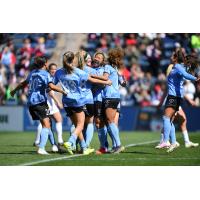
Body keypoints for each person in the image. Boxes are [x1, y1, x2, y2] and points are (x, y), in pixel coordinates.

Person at [53, 51, 112, 155]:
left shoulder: (58, 72)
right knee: (83, 124)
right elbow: (93, 80)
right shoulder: (81, 71)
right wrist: (106, 82)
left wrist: (61, 91)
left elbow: (51, 85)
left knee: (76, 125)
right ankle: (71, 142)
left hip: (66, 101)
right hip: (80, 100)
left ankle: (83, 147)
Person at [10, 56, 67, 155]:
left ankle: (54, 145)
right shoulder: (45, 74)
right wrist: (62, 91)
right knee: (46, 125)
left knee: (47, 124)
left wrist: (14, 90)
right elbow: (51, 86)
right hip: (39, 102)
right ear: (45, 64)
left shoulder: (32, 73)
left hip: (31, 102)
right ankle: (41, 148)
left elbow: (23, 83)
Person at [158, 49, 200, 153]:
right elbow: (186, 71)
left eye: (173, 55)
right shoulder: (177, 67)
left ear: (176, 57)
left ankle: (165, 141)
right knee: (170, 119)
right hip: (175, 96)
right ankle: (173, 142)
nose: (171, 56)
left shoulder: (177, 66)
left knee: (166, 118)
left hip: (173, 96)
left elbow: (186, 75)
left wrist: (196, 79)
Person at [34, 63, 64, 152]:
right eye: (52, 69)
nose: (54, 71)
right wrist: (58, 102)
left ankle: (40, 141)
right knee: (55, 120)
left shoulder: (46, 76)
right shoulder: (48, 77)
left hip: (44, 102)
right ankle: (59, 140)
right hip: (48, 103)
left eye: (55, 69)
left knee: (45, 123)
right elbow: (50, 92)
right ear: (49, 69)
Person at [101, 47, 125, 153]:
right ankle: (116, 145)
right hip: (116, 97)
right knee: (111, 122)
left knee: (110, 122)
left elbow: (105, 78)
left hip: (109, 96)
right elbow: (124, 83)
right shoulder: (115, 69)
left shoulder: (107, 67)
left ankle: (118, 145)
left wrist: (91, 76)